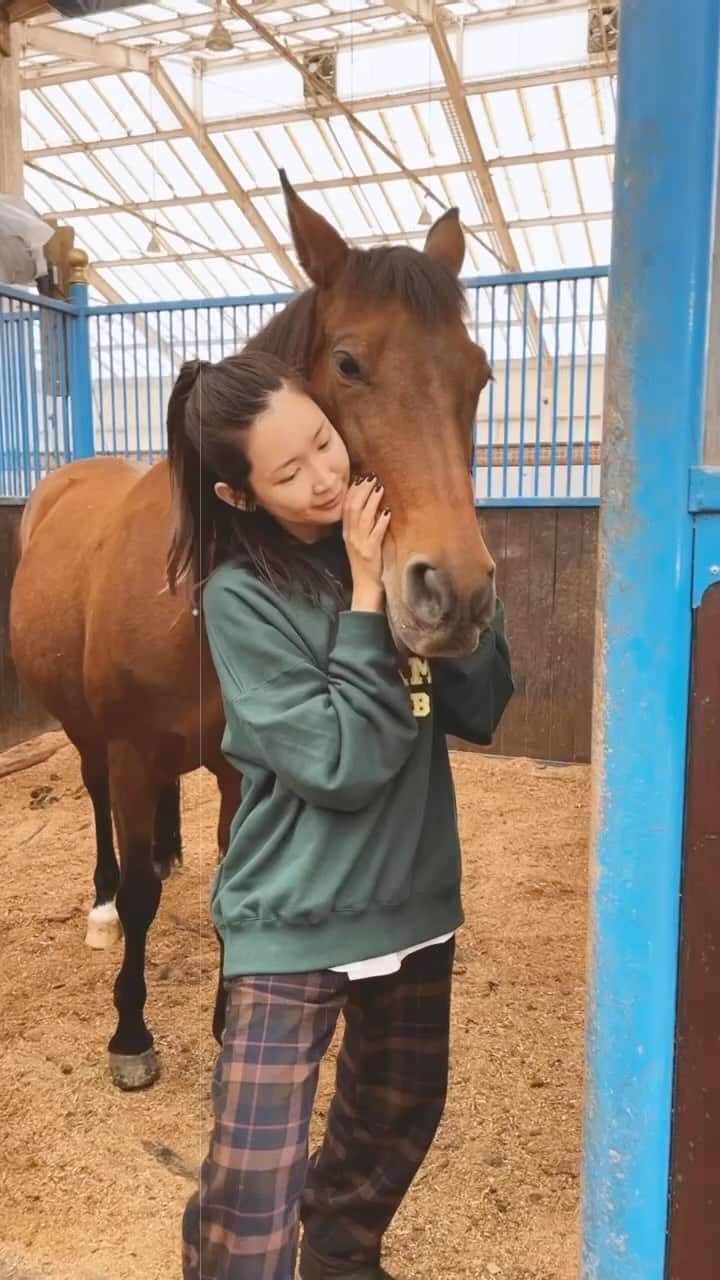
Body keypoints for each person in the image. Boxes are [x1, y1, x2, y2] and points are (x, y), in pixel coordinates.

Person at [166, 351, 513, 1280]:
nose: (325, 476)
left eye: (324, 441)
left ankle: (340, 1257)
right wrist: (365, 601)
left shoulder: (395, 543)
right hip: (294, 915)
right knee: (250, 1190)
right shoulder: (241, 599)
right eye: (290, 471)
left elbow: (481, 706)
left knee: (395, 1122)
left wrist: (449, 559)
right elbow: (342, 765)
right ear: (240, 496)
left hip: (412, 906)